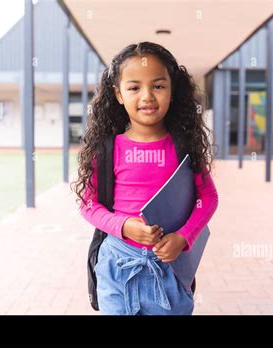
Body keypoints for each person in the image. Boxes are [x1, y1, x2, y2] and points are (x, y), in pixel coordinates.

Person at [71, 41, 219, 315]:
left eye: (158, 86)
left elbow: (208, 197)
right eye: (134, 87)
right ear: (118, 94)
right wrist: (123, 225)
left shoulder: (182, 147)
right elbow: (88, 204)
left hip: (170, 272)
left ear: (172, 91)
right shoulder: (107, 149)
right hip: (117, 268)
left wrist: (184, 238)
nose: (147, 96)